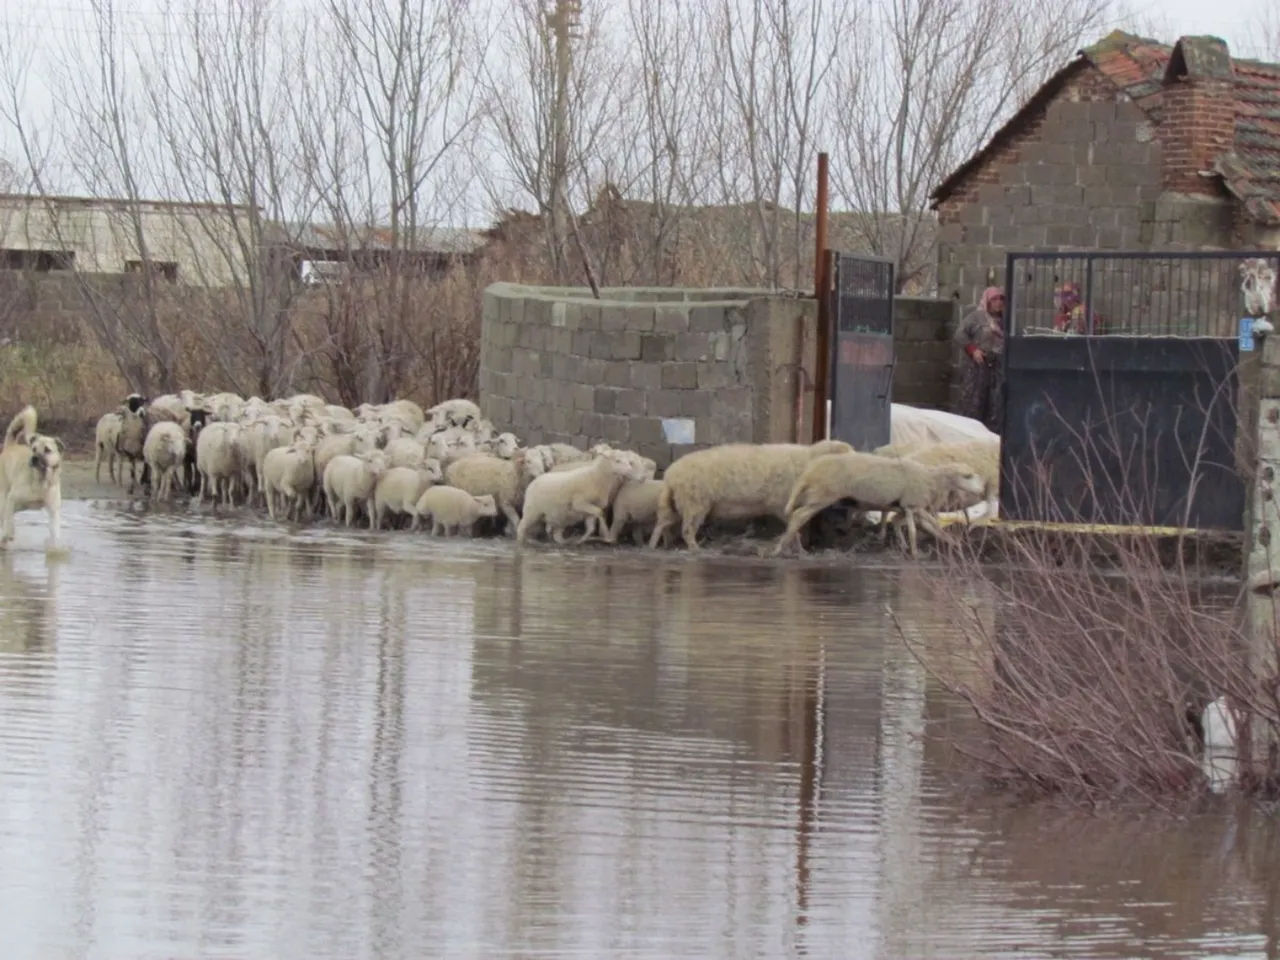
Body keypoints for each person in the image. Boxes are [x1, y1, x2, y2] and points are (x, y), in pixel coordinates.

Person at [954, 285, 1005, 434]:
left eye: (1001, 299)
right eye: (994, 299)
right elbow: (960, 334)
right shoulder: (977, 317)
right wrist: (973, 349)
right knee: (974, 402)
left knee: (994, 404)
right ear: (987, 302)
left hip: (997, 367)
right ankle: (968, 433)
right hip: (978, 366)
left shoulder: (1005, 320)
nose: (999, 303)